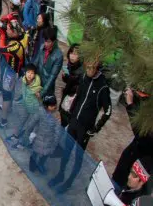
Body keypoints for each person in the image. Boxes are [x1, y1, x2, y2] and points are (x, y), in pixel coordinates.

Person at [50, 59, 112, 192]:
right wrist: (71, 114)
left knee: (78, 156)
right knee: (66, 150)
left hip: (85, 129)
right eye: (87, 67)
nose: (89, 70)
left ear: (97, 68)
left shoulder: (102, 87)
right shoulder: (84, 77)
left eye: (92, 68)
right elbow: (78, 96)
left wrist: (95, 129)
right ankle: (60, 175)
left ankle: (69, 181)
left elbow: (108, 111)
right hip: (74, 123)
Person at [0, 19, 29, 128]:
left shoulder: (15, 47)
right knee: (8, 93)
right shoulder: (22, 34)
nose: (6, 31)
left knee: (6, 94)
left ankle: (3, 120)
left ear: (14, 32)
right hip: (15, 70)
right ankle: (8, 107)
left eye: (7, 30)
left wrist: (2, 34)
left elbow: (0, 49)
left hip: (11, 72)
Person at [112, 88, 153, 189]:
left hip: (136, 173)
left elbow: (143, 136)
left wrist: (130, 104)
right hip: (129, 162)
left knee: (119, 192)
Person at [33, 26, 62, 98]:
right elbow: (35, 63)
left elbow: (52, 77)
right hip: (36, 84)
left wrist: (42, 92)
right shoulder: (42, 47)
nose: (46, 43)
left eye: (48, 41)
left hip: (47, 89)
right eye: (45, 40)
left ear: (54, 41)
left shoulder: (58, 55)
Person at [59, 44, 83, 127]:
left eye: (75, 54)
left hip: (72, 101)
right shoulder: (71, 65)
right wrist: (65, 78)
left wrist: (69, 79)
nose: (72, 56)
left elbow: (77, 86)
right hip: (67, 97)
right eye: (71, 53)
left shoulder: (81, 70)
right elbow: (70, 81)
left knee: (67, 122)